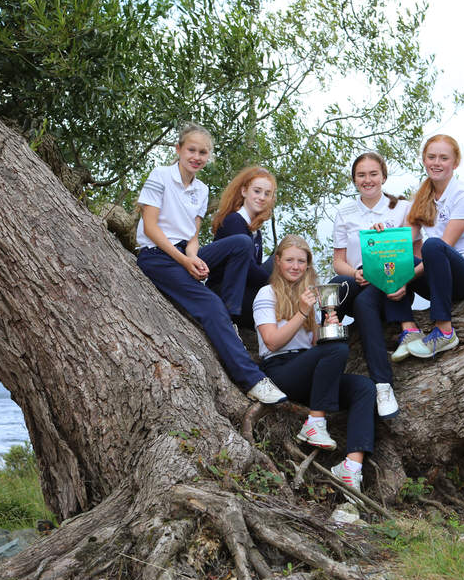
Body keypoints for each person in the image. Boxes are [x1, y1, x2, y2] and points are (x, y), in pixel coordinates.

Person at [134, 122, 286, 404]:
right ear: (178, 149)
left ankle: (230, 313)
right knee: (209, 306)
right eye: (191, 150)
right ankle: (252, 380)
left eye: (203, 152)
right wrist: (183, 260)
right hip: (158, 256)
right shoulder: (160, 176)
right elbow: (151, 227)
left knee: (240, 244)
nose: (197, 157)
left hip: (183, 253)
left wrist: (193, 257)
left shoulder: (201, 189)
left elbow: (192, 236)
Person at [253, 235, 376, 495]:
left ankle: (351, 469)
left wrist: (329, 325)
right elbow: (272, 342)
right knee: (335, 349)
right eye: (289, 260)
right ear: (278, 261)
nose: (295, 266)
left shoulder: (311, 296)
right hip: (279, 371)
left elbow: (314, 343)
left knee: (364, 387)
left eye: (301, 261)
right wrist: (301, 313)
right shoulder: (267, 293)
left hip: (309, 371)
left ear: (308, 265)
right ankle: (314, 423)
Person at [330, 152, 421, 418]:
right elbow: (338, 261)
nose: (367, 180)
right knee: (338, 285)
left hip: (395, 285)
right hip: (359, 280)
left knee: (365, 302)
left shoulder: (402, 208)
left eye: (373, 174)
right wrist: (355, 274)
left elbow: (417, 253)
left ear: (383, 176)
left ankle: (383, 386)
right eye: (361, 175)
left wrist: (403, 279)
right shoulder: (345, 212)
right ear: (354, 179)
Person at [403, 134, 464, 358]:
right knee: (395, 263)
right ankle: (408, 331)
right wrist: (381, 237)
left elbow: (443, 247)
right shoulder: (421, 198)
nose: (436, 163)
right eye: (431, 157)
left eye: (443, 158)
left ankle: (444, 331)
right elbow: (402, 241)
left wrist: (407, 278)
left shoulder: (463, 194)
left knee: (432, 246)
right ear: (424, 160)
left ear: (455, 163)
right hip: (440, 279)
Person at [207, 166, 276, 329]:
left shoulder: (255, 231)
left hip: (245, 288)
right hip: (224, 291)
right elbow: (250, 269)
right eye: (257, 191)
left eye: (267, 193)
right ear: (244, 191)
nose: (262, 197)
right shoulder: (234, 221)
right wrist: (278, 283)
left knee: (283, 257)